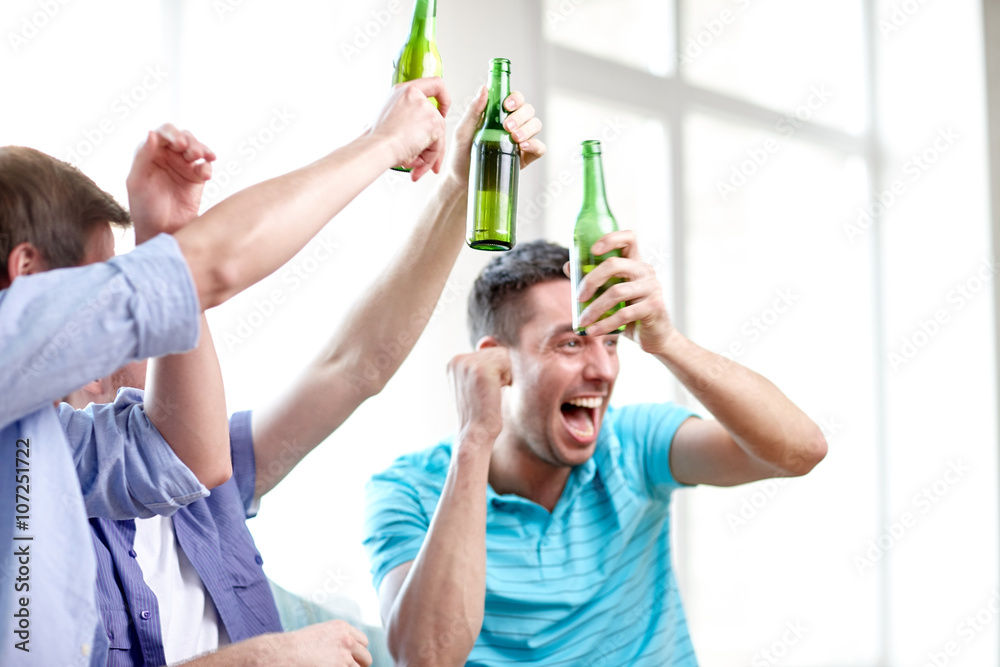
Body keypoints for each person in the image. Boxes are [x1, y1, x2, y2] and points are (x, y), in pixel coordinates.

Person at [66, 85, 545, 667]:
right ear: (89, 368)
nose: (180, 328)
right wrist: (265, 660)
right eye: (153, 308)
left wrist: (456, 191)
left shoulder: (202, 476)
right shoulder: (38, 500)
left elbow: (356, 365)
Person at [0, 77, 449, 666]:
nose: (159, 333)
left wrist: (170, 239)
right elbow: (215, 267)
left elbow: (188, 455)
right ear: (28, 275)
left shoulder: (53, 445)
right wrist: (385, 141)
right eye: (100, 284)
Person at [363, 238, 828, 665]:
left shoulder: (635, 445)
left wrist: (666, 341)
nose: (604, 369)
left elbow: (800, 450)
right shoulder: (408, 490)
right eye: (571, 343)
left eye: (610, 341)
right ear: (496, 362)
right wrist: (474, 439)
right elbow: (424, 658)